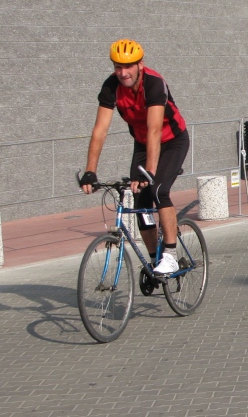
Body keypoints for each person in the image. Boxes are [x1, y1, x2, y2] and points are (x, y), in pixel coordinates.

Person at [79, 39, 190, 275]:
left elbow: (154, 129)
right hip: (142, 143)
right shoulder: (111, 87)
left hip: (172, 141)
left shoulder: (154, 83)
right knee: (141, 204)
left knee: (158, 190)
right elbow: (100, 130)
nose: (123, 73)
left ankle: (170, 255)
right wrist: (90, 171)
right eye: (118, 67)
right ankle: (154, 260)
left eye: (128, 66)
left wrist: (150, 171)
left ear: (140, 64)